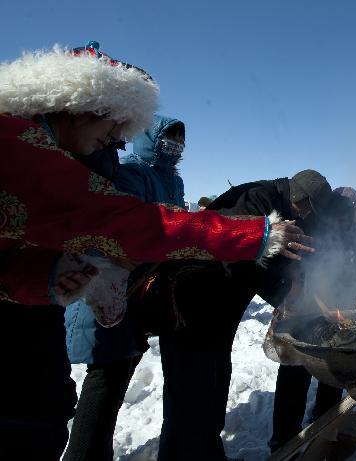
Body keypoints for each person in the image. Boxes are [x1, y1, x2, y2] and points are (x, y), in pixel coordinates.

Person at [0, 42, 305, 460]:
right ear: (79, 105)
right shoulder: (24, 150)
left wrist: (46, 273)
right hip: (116, 290)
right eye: (113, 129)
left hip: (123, 285)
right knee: (63, 400)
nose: (115, 141)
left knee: (54, 404)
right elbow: (127, 222)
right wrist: (252, 235)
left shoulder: (47, 150)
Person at [154, 170, 332, 461]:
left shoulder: (284, 205)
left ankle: (209, 454)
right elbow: (240, 260)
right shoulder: (255, 199)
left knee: (215, 383)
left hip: (219, 309)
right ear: (299, 196)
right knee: (189, 395)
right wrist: (285, 293)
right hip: (191, 302)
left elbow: (283, 255)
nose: (308, 214)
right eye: (309, 206)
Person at [63, 115, 187, 461]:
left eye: (179, 139)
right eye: (168, 137)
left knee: (118, 373)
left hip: (141, 293)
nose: (174, 145)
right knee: (105, 378)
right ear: (152, 137)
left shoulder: (173, 182)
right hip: (110, 288)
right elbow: (126, 232)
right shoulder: (133, 171)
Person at [267, 186, 356, 455]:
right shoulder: (315, 223)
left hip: (341, 300)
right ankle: (284, 441)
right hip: (304, 303)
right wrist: (306, 292)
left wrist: (355, 288)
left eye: (348, 221)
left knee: (334, 368)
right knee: (294, 369)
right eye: (339, 220)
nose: (343, 225)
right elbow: (297, 264)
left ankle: (326, 425)